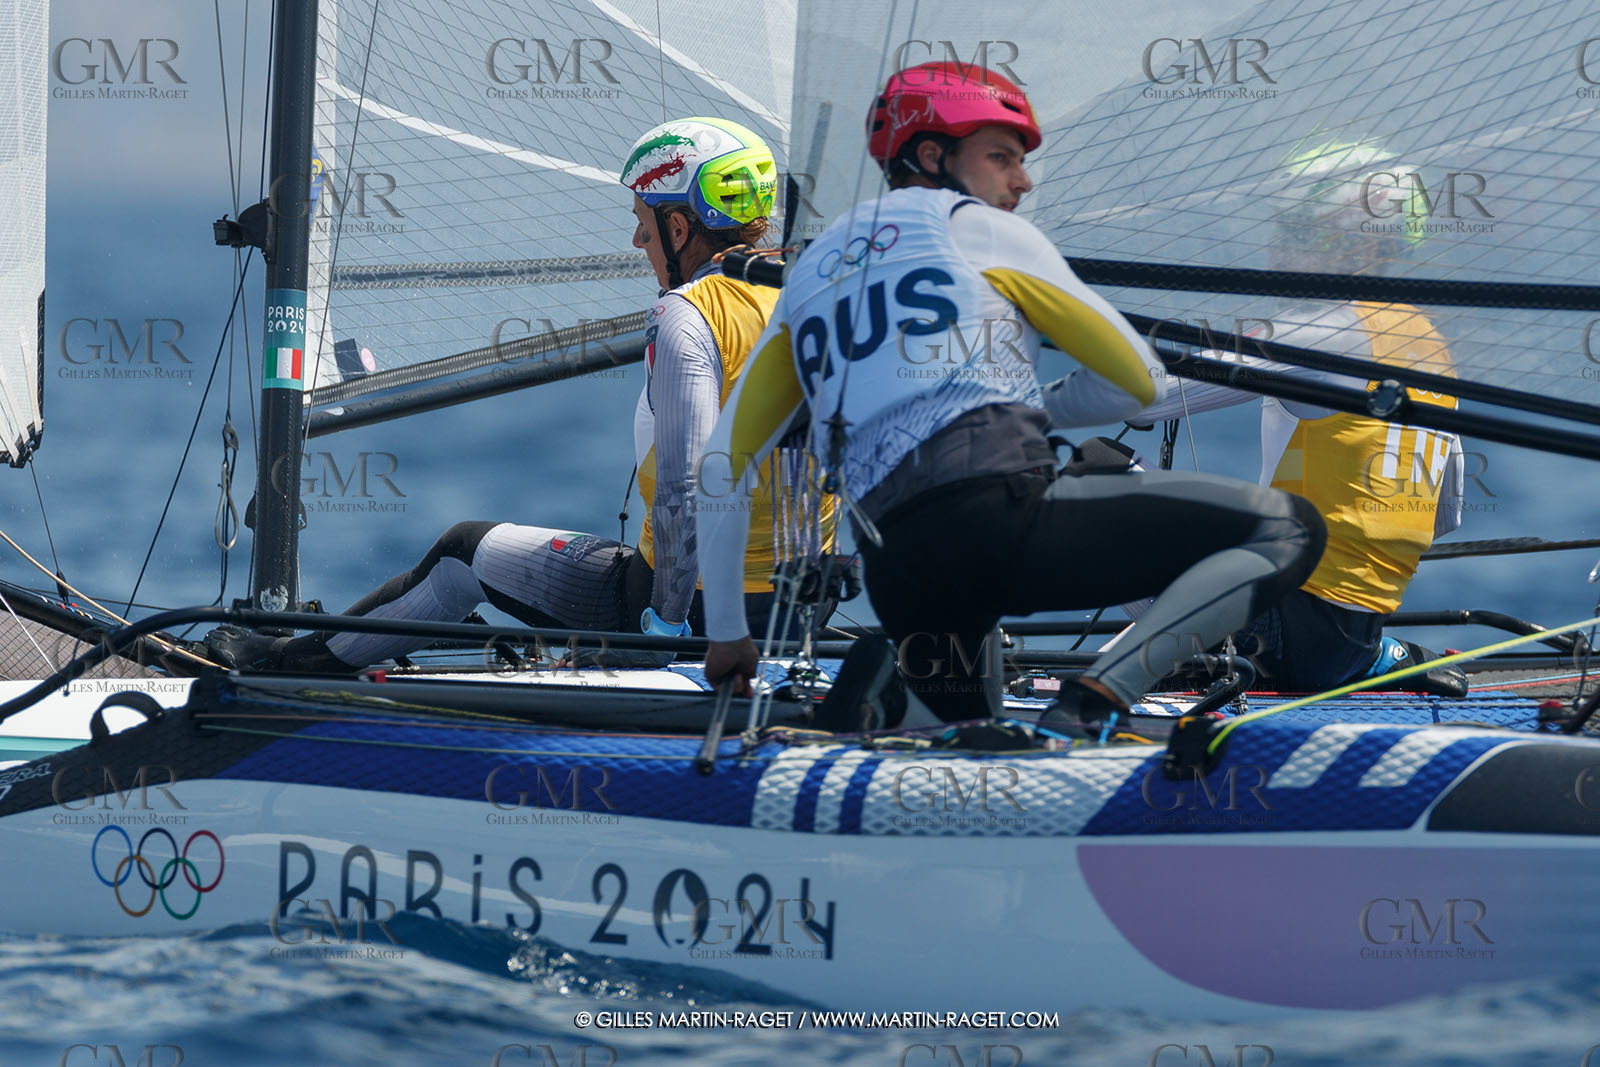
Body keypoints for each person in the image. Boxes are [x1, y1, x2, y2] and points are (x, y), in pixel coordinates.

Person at [698, 61, 1327, 724]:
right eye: (1001, 158)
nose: (1022, 182)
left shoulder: (806, 274)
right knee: (1285, 527)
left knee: (970, 746)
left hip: (900, 576)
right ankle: (1097, 699)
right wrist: (1042, 408)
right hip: (1001, 530)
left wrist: (727, 635)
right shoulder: (980, 229)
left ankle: (941, 736)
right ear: (932, 156)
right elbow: (1135, 380)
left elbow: (720, 467)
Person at [206, 116, 832, 673]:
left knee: (460, 553)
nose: (638, 243)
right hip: (801, 613)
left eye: (642, 224)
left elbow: (685, 488)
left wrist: (663, 634)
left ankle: (285, 669)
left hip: (689, 611)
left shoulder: (688, 314)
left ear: (676, 225)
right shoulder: (814, 299)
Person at [1124, 140, 1467, 695]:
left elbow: (1142, 398)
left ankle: (1182, 660)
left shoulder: (1320, 331)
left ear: (1357, 243)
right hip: (1350, 639)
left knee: (1090, 475)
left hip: (1276, 637)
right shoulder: (1430, 344)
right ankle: (1379, 656)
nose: (1276, 246)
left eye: (1297, 231)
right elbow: (1445, 518)